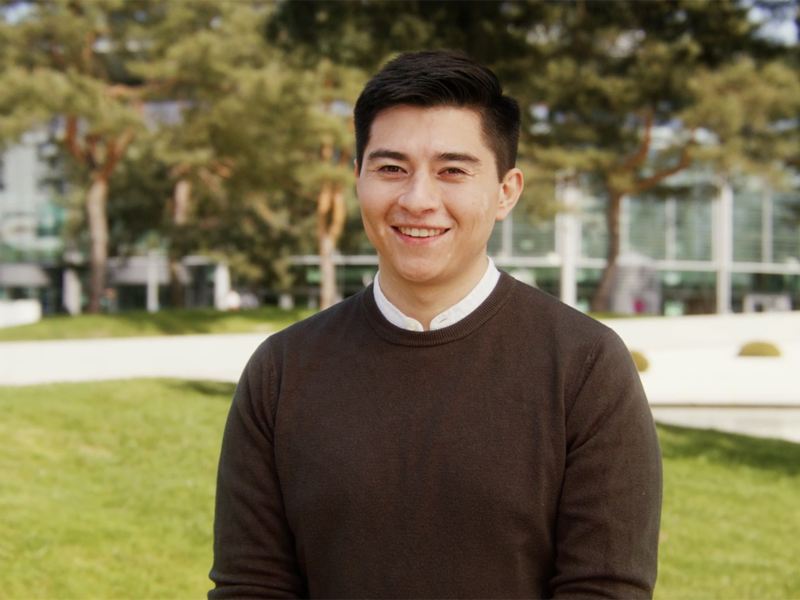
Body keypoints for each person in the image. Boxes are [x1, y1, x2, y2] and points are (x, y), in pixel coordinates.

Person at [209, 50, 662, 599]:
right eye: (391, 168)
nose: (418, 199)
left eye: (452, 171)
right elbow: (251, 587)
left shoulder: (586, 366)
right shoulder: (282, 371)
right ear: (358, 180)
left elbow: (605, 589)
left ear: (505, 192)